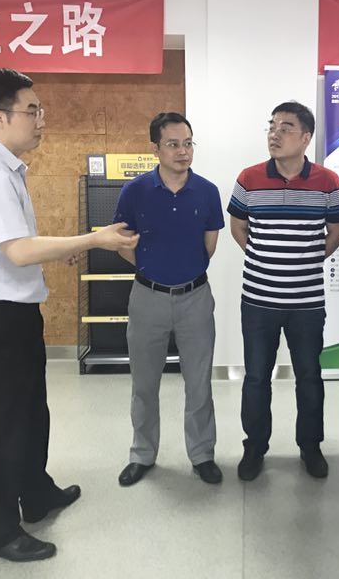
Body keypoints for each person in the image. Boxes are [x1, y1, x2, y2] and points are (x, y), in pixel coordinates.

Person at [0, 68, 138, 562]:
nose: (40, 120)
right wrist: (94, 239)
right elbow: (17, 251)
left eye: (40, 110)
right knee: (0, 424)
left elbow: (19, 245)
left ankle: (34, 492)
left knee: (31, 412)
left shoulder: (8, 169)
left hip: (15, 313)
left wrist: (62, 250)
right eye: (31, 110)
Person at [227, 101, 339, 481]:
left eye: (286, 127)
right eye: (272, 126)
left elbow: (337, 232)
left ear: (306, 137)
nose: (274, 134)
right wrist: (262, 257)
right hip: (258, 300)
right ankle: (254, 447)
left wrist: (307, 260)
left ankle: (310, 446)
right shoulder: (249, 178)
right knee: (256, 378)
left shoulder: (328, 182)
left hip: (306, 303)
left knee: (309, 376)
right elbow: (237, 226)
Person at [113, 112, 225, 487]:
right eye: (173, 144)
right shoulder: (135, 191)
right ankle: (142, 454)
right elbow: (123, 243)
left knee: (199, 383)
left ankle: (202, 453)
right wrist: (152, 269)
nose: (183, 151)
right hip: (147, 298)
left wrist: (180, 270)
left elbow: (209, 246)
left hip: (195, 297)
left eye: (188, 143)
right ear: (155, 148)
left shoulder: (207, 191)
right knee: (144, 384)